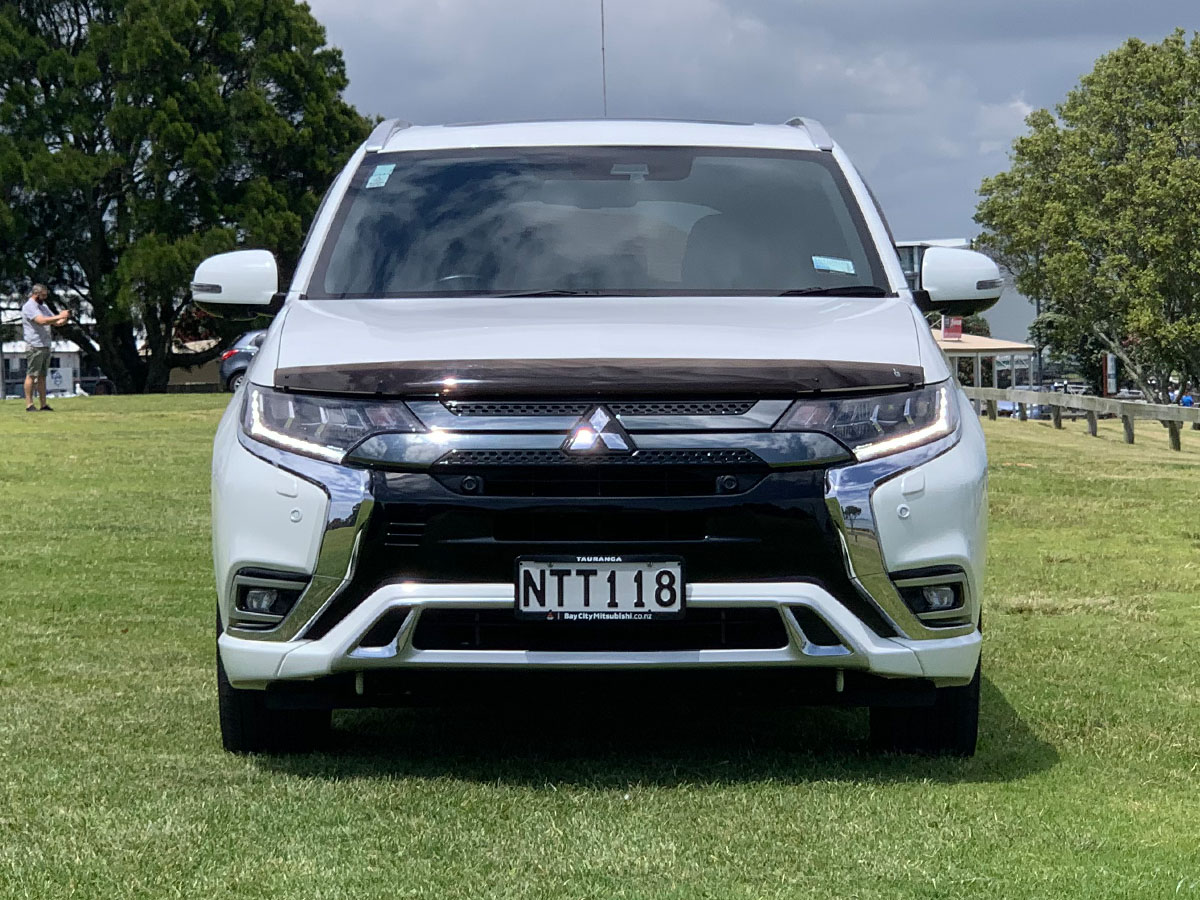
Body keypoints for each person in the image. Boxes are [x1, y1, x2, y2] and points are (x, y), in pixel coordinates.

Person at [21, 284, 70, 412]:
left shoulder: (43, 307)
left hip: (45, 345)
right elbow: (41, 321)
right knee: (31, 374)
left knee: (42, 376)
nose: (45, 298)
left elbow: (55, 322)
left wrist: (64, 318)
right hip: (34, 345)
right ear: (36, 294)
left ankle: (43, 404)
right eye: (43, 295)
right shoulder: (29, 307)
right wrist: (60, 315)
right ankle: (29, 404)